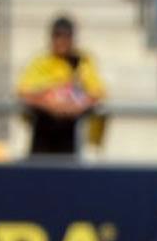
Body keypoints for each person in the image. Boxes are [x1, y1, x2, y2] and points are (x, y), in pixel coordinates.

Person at [17, 16, 106, 156]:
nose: (62, 41)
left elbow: (97, 93)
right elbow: (24, 92)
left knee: (67, 173)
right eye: (58, 36)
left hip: (70, 131)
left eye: (67, 36)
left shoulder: (83, 61)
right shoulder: (41, 62)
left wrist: (75, 107)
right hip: (44, 128)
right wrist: (51, 105)